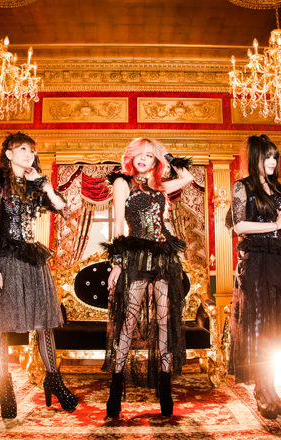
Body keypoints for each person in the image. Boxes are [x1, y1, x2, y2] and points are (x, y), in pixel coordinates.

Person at [0, 132, 77, 418]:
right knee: (1, 326)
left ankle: (54, 380)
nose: (29, 154)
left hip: (32, 260)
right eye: (23, 149)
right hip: (5, 260)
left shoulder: (35, 187)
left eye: (32, 151)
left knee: (44, 324)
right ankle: (5, 386)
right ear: (9, 154)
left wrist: (43, 183)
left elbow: (64, 209)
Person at [102, 137, 193, 418]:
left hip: (164, 257)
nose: (143, 159)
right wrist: (117, 263)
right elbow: (118, 225)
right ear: (131, 157)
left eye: (150, 156)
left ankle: (164, 385)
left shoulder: (160, 186)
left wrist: (166, 154)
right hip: (137, 256)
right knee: (129, 321)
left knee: (164, 320)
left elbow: (188, 177)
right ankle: (116, 386)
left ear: (156, 161)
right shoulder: (122, 183)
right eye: (139, 154)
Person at [228, 135, 281, 419]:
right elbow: (239, 226)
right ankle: (262, 389)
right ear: (255, 158)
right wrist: (275, 223)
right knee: (260, 326)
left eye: (275, 156)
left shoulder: (280, 189)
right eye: (267, 156)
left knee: (279, 328)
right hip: (257, 262)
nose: (273, 161)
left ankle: (272, 387)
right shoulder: (243, 187)